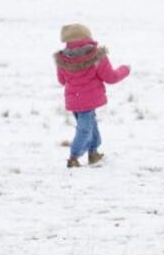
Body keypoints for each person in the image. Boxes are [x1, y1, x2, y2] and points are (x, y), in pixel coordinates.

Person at [54, 24, 130, 168]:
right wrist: (125, 70)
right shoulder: (96, 56)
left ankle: (93, 152)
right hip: (89, 100)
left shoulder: (63, 59)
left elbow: (62, 80)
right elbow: (111, 78)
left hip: (74, 100)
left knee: (90, 125)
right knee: (85, 128)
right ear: (87, 37)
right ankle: (74, 157)